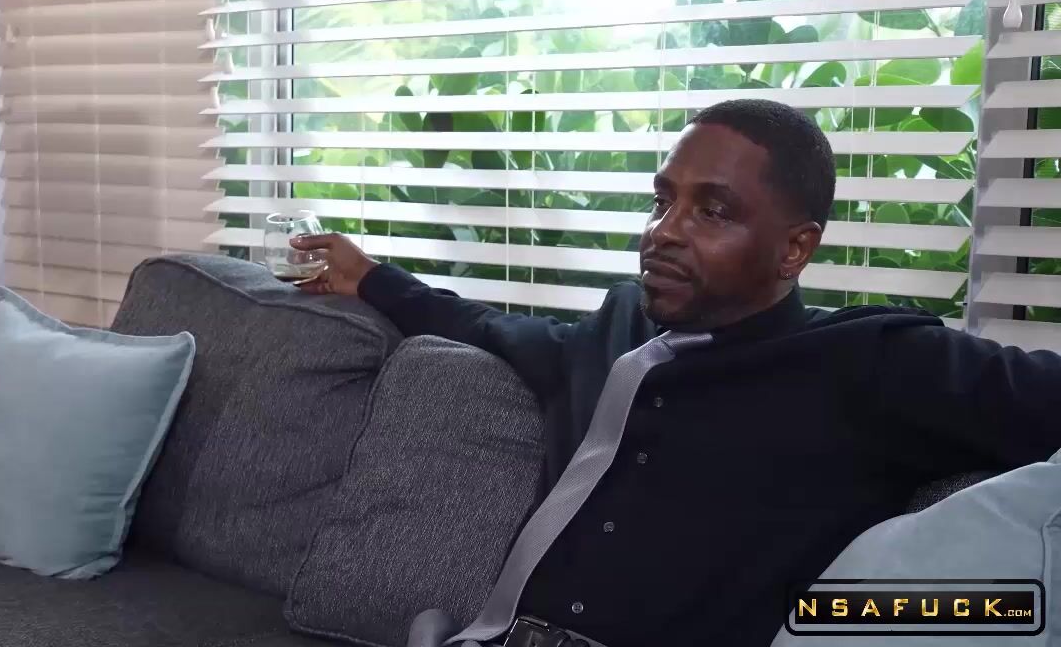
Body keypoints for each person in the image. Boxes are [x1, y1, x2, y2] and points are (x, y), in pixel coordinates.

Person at [288, 99, 1061, 647]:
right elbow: (487, 328)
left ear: (795, 249)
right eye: (663, 201)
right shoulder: (615, 332)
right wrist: (370, 278)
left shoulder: (872, 361)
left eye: (712, 211)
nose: (664, 232)